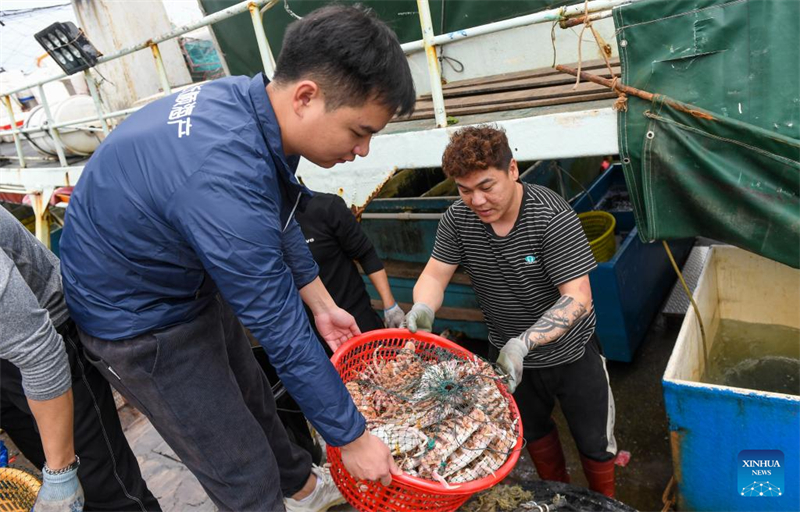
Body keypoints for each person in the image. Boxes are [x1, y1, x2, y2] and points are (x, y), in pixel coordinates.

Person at [59, 5, 415, 511]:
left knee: (257, 403)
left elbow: (273, 205)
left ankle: (308, 492)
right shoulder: (220, 174)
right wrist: (352, 439)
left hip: (187, 277)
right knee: (237, 465)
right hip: (138, 324)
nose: (362, 151)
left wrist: (319, 301)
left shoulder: (245, 102)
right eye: (360, 131)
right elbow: (279, 329)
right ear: (307, 96)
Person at [403, 125, 617, 497]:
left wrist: (525, 342)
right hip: (505, 358)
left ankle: (606, 502)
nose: (477, 200)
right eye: (465, 190)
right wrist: (422, 306)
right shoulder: (458, 219)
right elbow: (434, 276)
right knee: (531, 433)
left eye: (487, 186)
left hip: (572, 356)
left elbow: (578, 297)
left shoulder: (550, 215)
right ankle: (558, 499)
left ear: (513, 170)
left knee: (595, 443)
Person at [0, 207, 159, 511]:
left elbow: (41, 354)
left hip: (45, 343)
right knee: (43, 459)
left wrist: (60, 474)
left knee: (103, 490)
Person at [295, 191, 404, 353]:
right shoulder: (265, 224)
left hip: (356, 320)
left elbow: (365, 254)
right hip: (307, 333)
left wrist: (390, 305)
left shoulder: (326, 206)